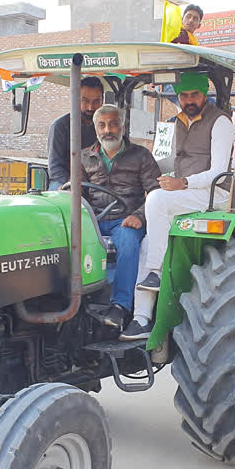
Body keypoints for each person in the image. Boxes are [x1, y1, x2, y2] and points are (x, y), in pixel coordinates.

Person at [133, 72, 234, 333]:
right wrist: (165, 178)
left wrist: (182, 183)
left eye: (194, 95)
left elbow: (219, 170)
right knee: (145, 243)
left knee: (157, 200)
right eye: (184, 95)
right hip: (180, 194)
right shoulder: (171, 123)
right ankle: (141, 318)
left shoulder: (220, 122)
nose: (189, 100)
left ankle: (156, 270)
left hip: (214, 192)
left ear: (204, 94)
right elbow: (163, 163)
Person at [80, 104, 160, 337]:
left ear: (122, 127)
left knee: (127, 241)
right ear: (96, 128)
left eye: (113, 124)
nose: (108, 130)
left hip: (126, 220)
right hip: (94, 219)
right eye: (102, 125)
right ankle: (79, 298)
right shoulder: (84, 156)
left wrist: (139, 216)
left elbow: (157, 194)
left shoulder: (140, 155)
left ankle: (120, 306)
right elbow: (76, 192)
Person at [47, 77, 104, 190]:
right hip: (65, 180)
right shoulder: (60, 126)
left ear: (103, 101)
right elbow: (55, 167)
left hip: (97, 182)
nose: (90, 107)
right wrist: (71, 185)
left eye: (96, 102)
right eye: (85, 101)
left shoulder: (106, 127)